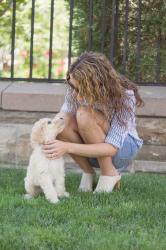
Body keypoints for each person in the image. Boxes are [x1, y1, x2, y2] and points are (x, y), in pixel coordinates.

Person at [43, 51, 143, 193]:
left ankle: (109, 173)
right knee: (61, 124)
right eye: (74, 88)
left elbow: (112, 147)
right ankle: (88, 172)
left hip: (121, 150)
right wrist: (49, 132)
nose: (77, 95)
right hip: (92, 150)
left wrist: (66, 147)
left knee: (85, 114)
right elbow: (62, 116)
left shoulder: (125, 96)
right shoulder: (75, 89)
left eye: (81, 89)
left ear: (96, 84)